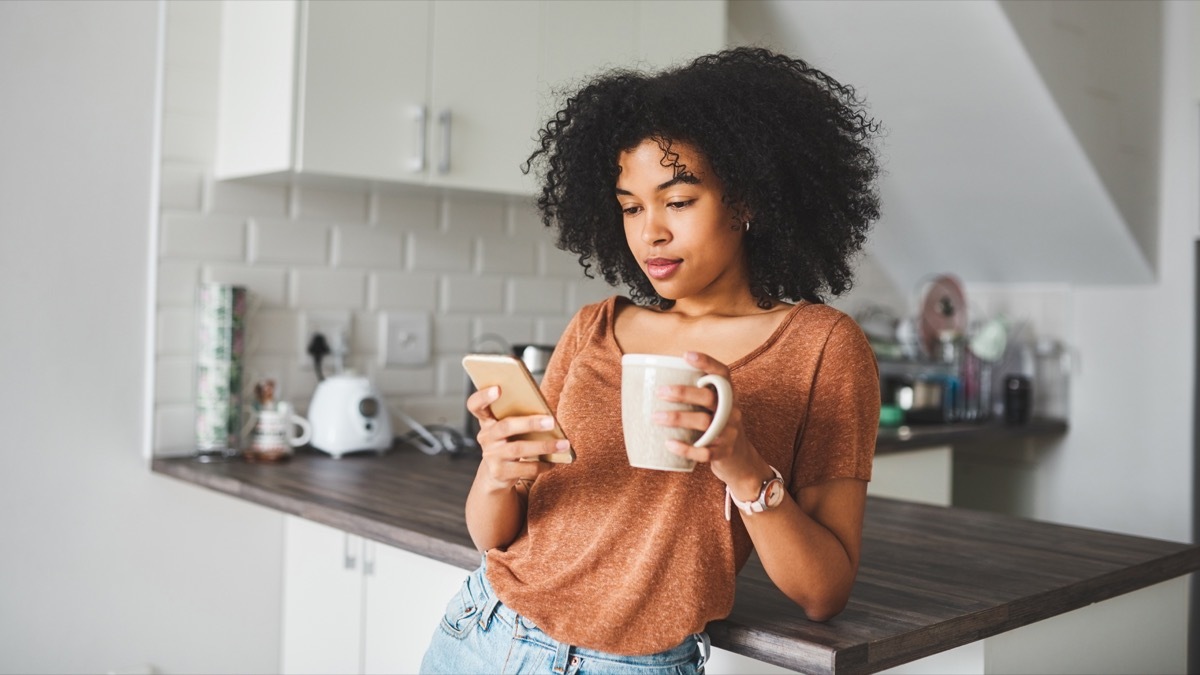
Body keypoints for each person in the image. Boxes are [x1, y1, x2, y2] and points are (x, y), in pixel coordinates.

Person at [421, 46, 882, 674]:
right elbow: (495, 537)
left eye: (680, 201)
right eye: (632, 206)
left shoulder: (822, 347)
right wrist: (499, 469)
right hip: (481, 631)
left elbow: (824, 592)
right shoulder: (595, 327)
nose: (650, 233)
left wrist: (741, 466)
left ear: (745, 200)